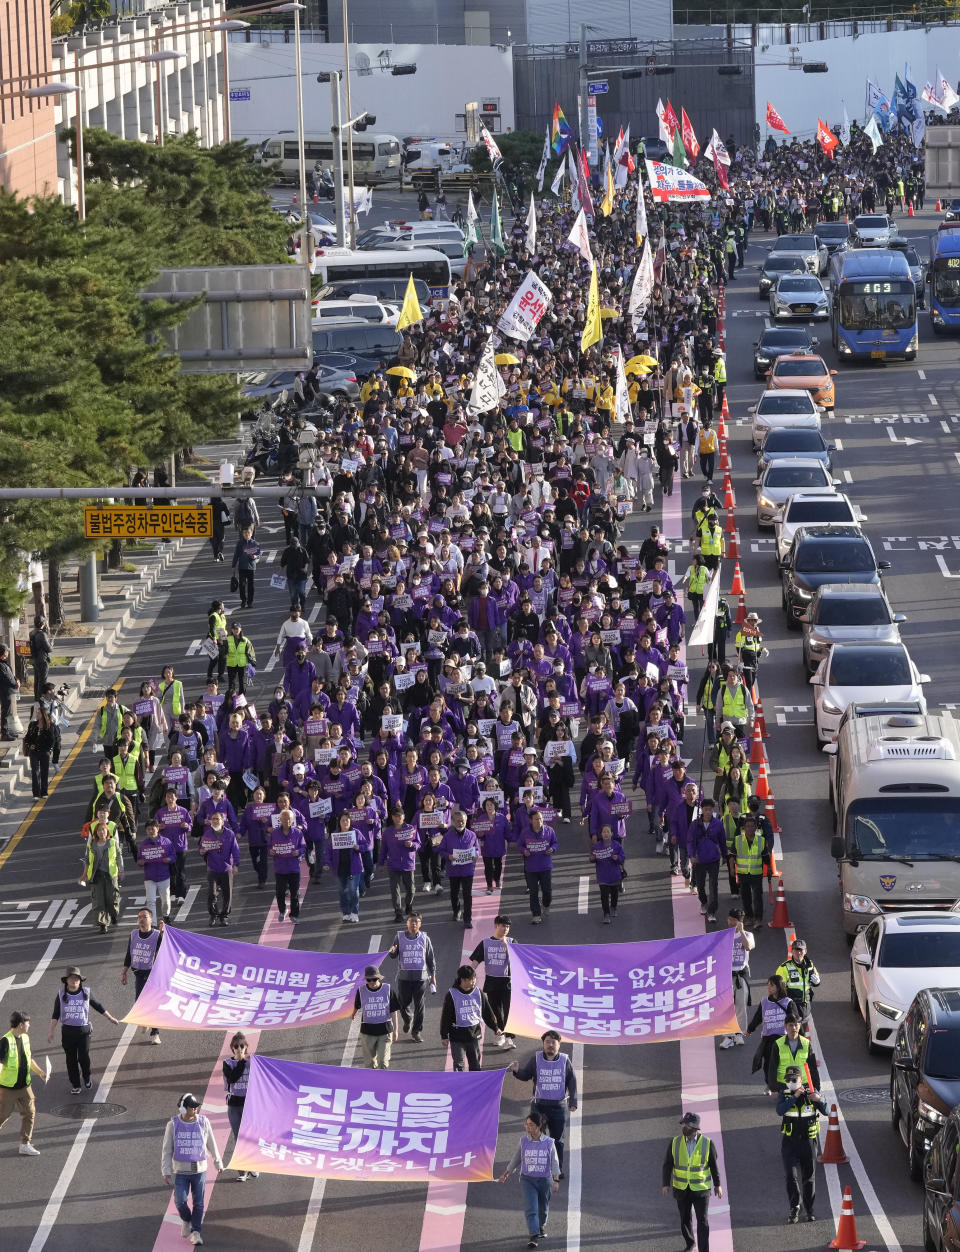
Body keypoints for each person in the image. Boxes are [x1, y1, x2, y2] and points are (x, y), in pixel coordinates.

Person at [509, 1030, 578, 1175]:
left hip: (559, 1107)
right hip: (539, 1107)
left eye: (553, 1042)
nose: (550, 1045)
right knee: (537, 1138)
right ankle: (538, 1167)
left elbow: (571, 1080)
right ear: (543, 1044)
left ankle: (556, 1171)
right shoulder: (536, 1059)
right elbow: (526, 1075)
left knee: (557, 1140)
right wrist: (516, 1071)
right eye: (547, 1042)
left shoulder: (565, 1060)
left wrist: (573, 1100)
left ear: (559, 1045)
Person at [161, 1092, 224, 1246]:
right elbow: (167, 1150)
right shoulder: (173, 1125)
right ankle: (186, 1219)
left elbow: (211, 1143)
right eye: (192, 1107)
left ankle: (196, 1232)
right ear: (183, 1108)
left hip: (200, 1170)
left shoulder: (204, 1122)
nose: (195, 1109)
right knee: (180, 1201)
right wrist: (166, 1170)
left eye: (196, 1107)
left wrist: (218, 1162)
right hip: (181, 1171)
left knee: (199, 1203)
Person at [47, 967, 121, 1095]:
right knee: (71, 1060)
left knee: (83, 1058)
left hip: (83, 1032)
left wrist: (110, 1018)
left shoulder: (86, 992)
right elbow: (55, 1014)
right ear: (66, 981)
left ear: (80, 981)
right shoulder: (60, 995)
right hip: (68, 1032)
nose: (74, 981)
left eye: (77, 979)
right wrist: (51, 1031)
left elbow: (98, 1006)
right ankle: (76, 1084)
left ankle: (86, 1077)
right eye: (72, 978)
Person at [497, 1110, 561, 1250]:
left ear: (538, 1127)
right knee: (531, 1207)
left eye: (531, 1125)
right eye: (526, 1124)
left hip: (545, 1180)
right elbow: (516, 1159)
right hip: (527, 1180)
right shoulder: (523, 1141)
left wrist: (556, 1180)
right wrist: (506, 1173)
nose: (527, 1127)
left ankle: (540, 1226)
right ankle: (533, 1235)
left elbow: (554, 1162)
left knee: (543, 1209)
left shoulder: (549, 1143)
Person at [661, 1111, 722, 1252]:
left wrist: (718, 1185)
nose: (683, 1127)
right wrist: (665, 1183)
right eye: (683, 1124)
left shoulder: (707, 1143)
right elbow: (667, 1164)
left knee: (702, 1221)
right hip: (681, 1188)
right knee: (684, 1219)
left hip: (701, 1189)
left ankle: (704, 1250)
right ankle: (690, 1243)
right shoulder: (675, 1142)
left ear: (694, 1128)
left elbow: (713, 1165)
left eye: (686, 1125)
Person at [776, 1065, 827, 1224]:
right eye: (788, 1080)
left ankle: (809, 1209)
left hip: (808, 1142)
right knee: (790, 1176)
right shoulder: (784, 1094)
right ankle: (795, 1207)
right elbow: (780, 1110)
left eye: (794, 1080)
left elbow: (826, 1110)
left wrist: (819, 1100)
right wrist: (794, 1096)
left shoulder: (812, 1092)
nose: (790, 1082)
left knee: (809, 1177)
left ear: (801, 1080)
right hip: (790, 1142)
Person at [0, 1011, 47, 1156]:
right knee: (2, 1116)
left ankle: (25, 1144)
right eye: (28, 1023)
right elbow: (0, 1064)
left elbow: (29, 1058)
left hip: (25, 1086)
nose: (29, 1025)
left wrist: (40, 1072)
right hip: (8, 1088)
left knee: (30, 1113)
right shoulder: (5, 1041)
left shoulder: (25, 1038)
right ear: (21, 1024)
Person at [439, 964, 502, 1071]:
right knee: (459, 1065)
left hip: (474, 1035)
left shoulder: (478, 993)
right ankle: (460, 1087)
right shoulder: (452, 995)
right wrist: (444, 1035)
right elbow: (445, 1017)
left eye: (474, 978)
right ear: (462, 980)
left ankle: (475, 1086)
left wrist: (495, 1028)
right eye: (470, 979)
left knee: (475, 1065)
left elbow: (487, 1012)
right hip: (457, 1037)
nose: (473, 982)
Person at [387, 912, 437, 1044]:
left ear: (420, 924)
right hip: (404, 978)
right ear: (407, 923)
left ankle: (416, 1032)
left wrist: (433, 976)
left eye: (416, 921)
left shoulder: (425, 938)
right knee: (403, 1004)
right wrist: (392, 951)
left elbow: (430, 959)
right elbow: (393, 955)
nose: (413, 923)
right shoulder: (399, 937)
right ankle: (408, 1018)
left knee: (420, 1006)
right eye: (411, 921)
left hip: (421, 979)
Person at [470, 914, 516, 1049]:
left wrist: (506, 946)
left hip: (507, 981)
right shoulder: (485, 943)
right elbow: (476, 960)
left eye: (508, 927)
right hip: (491, 981)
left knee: (509, 1011)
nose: (506, 929)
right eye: (503, 926)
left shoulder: (512, 941)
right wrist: (469, 973)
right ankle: (500, 1034)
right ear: (496, 926)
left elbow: (517, 959)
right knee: (495, 1010)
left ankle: (510, 1038)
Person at [121, 908, 164, 1044]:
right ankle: (144, 1020)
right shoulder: (133, 934)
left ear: (151, 919)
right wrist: (124, 972)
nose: (141, 919)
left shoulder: (157, 935)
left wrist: (163, 932)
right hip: (138, 973)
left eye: (144, 917)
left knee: (153, 1003)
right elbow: (129, 953)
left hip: (153, 974)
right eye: (139, 917)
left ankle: (155, 1033)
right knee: (139, 1002)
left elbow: (166, 949)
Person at [223, 1033, 259, 1182]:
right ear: (232, 1048)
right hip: (234, 1105)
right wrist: (242, 1062)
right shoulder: (227, 1063)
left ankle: (253, 1165)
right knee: (238, 1138)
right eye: (236, 1046)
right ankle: (242, 1170)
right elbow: (232, 1078)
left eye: (242, 1046)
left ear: (246, 1047)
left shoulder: (254, 1062)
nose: (239, 1049)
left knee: (250, 1136)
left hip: (249, 1104)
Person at [351, 965, 402, 1069]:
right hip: (367, 1032)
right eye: (369, 980)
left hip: (385, 1031)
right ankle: (371, 1083)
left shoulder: (388, 989)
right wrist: (353, 1013)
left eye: (374, 979)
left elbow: (393, 1011)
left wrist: (396, 1030)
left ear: (379, 978)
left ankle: (382, 1084)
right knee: (370, 1064)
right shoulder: (361, 991)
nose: (371, 982)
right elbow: (357, 1005)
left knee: (383, 1062)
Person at [718, 907, 754, 1049]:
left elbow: (748, 947)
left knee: (741, 1006)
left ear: (740, 921)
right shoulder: (723, 935)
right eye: (729, 919)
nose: (730, 922)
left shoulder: (749, 935)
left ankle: (738, 1034)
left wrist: (742, 931)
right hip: (726, 975)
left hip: (741, 974)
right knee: (726, 1007)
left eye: (734, 920)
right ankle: (727, 1036)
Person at [80, 818, 123, 934]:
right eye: (99, 830)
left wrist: (121, 870)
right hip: (97, 876)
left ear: (107, 831)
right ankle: (103, 924)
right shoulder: (91, 845)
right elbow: (88, 861)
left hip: (111, 876)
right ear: (96, 833)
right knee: (99, 901)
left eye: (103, 830)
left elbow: (119, 856)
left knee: (112, 899)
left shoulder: (113, 842)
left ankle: (113, 914)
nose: (101, 832)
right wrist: (83, 876)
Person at [766, 1015, 822, 1095]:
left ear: (800, 1026)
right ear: (785, 1026)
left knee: (810, 1107)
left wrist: (817, 1087)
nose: (794, 1028)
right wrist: (773, 1088)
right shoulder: (778, 1044)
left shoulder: (806, 1043)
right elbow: (772, 1068)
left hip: (803, 1085)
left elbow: (812, 1067)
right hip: (784, 1085)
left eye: (796, 1025)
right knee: (785, 1107)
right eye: (791, 1025)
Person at [775, 937, 821, 1028]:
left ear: (805, 951)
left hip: (806, 1008)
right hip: (791, 1008)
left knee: (802, 1038)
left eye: (801, 950)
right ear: (792, 951)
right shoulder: (784, 967)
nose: (798, 952)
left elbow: (816, 981)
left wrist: (817, 982)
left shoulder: (810, 965)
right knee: (792, 1036)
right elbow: (777, 989)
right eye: (796, 950)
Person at [28, 616, 51, 700]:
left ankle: (37, 698)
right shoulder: (42, 634)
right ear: (43, 624)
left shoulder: (32, 633)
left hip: (35, 659)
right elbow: (48, 649)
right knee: (43, 680)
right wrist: (51, 645)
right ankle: (41, 699)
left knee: (37, 680)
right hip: (42, 659)